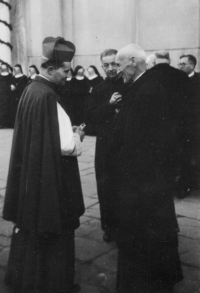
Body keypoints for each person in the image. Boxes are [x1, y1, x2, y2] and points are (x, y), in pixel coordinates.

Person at [3, 36, 85, 293]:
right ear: (50, 69)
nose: (68, 76)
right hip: (51, 179)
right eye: (65, 71)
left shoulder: (31, 90)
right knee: (54, 227)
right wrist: (77, 136)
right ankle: (54, 283)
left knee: (31, 227)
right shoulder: (49, 96)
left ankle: (27, 278)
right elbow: (65, 146)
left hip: (32, 175)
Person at [109, 44, 184, 292]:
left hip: (143, 183)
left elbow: (143, 141)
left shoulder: (147, 89)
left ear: (132, 61)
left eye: (119, 65)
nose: (118, 71)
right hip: (147, 181)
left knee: (144, 242)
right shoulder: (144, 86)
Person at [87, 49, 128, 242]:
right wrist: (109, 105)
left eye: (114, 64)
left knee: (125, 187)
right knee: (106, 187)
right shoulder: (99, 89)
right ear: (102, 66)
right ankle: (109, 227)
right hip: (105, 145)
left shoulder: (131, 85)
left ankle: (127, 227)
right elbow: (91, 117)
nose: (110, 68)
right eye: (106, 65)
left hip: (126, 145)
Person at [179, 54, 200, 191]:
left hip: (194, 125)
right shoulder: (176, 80)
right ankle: (183, 184)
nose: (179, 67)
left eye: (183, 64)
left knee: (193, 156)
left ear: (192, 65)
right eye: (179, 64)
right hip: (180, 125)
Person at [85, 65, 103, 135]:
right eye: (88, 69)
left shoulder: (99, 78)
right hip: (88, 98)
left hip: (96, 98)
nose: (89, 70)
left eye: (91, 69)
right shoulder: (87, 79)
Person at [0, 64, 14, 128]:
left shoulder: (10, 75)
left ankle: (8, 123)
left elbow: (12, 82)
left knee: (9, 107)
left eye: (4, 67)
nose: (3, 68)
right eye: (2, 67)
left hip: (8, 93)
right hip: (1, 93)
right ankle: (2, 124)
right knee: (2, 108)